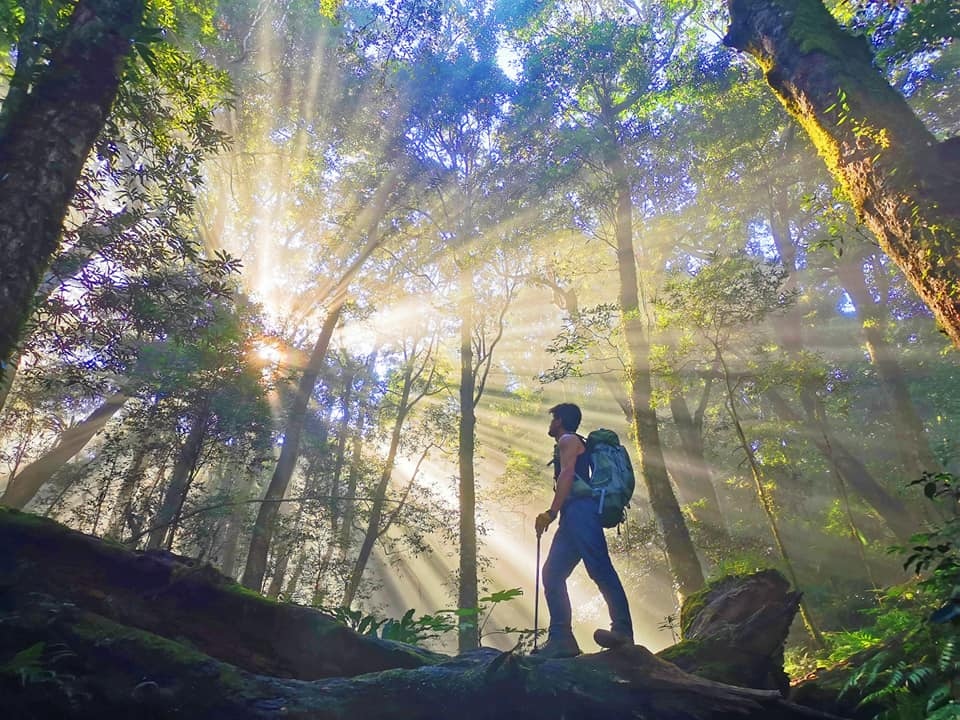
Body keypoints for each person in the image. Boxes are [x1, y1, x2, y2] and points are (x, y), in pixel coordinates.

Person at [533, 402, 633, 658]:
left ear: (560, 421)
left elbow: (567, 474)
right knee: (553, 573)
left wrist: (551, 512)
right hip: (574, 515)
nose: (551, 423)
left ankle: (622, 631)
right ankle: (561, 638)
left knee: (599, 567)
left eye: (553, 418)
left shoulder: (567, 440)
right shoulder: (573, 441)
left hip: (580, 511)